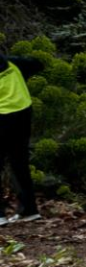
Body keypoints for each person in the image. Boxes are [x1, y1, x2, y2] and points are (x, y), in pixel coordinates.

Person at [0, 47, 43, 225]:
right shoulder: (14, 63)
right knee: (20, 164)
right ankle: (30, 210)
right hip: (23, 115)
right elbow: (38, 64)